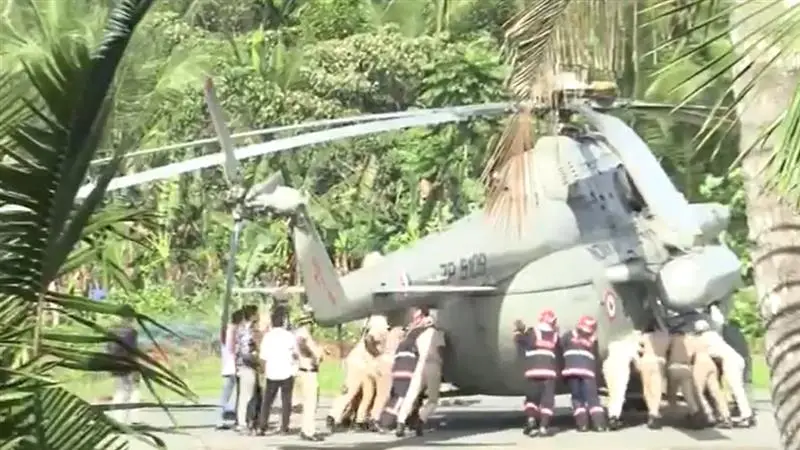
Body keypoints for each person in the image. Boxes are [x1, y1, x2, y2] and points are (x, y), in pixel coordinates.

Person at [327, 315, 387, 433]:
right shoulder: (379, 322)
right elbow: (368, 340)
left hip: (362, 362)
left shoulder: (374, 322)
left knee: (367, 392)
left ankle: (359, 419)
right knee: (351, 391)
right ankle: (333, 416)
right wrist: (377, 354)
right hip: (359, 362)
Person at [378, 307, 432, 434]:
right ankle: (385, 422)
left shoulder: (408, 335)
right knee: (400, 398)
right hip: (406, 370)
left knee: (401, 397)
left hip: (401, 368)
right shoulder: (416, 334)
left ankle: (406, 421)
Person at [394, 312, 446, 437]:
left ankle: (400, 422)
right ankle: (421, 420)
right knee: (433, 399)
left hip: (420, 365)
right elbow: (441, 350)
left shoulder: (420, 336)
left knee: (411, 394)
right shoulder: (438, 334)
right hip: (433, 365)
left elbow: (416, 351)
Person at [513, 310, 560, 437]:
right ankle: (544, 426)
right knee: (547, 401)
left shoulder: (532, 332)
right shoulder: (555, 336)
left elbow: (519, 340)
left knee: (531, 399)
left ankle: (531, 420)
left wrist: (519, 330)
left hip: (533, 372)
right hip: (549, 373)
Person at [697, 328, 755, 427]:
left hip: (730, 361)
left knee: (736, 388)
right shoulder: (715, 336)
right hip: (736, 359)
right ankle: (746, 414)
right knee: (737, 389)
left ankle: (746, 416)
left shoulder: (704, 339)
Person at [257, 307, 299, 435]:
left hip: (272, 372)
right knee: (286, 401)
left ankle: (262, 426)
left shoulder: (268, 337)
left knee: (267, 401)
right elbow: (295, 354)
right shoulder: (289, 336)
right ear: (284, 322)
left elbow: (263, 357)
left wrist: (263, 372)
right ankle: (284, 427)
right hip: (286, 371)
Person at [562, 315, 607, 432]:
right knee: (593, 399)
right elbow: (596, 358)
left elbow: (560, 349)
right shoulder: (593, 340)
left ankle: (582, 424)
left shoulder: (567, 336)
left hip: (572, 372)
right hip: (588, 373)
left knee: (577, 398)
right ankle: (599, 424)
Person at [690, 332, 733, 428]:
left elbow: (689, 354)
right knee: (716, 391)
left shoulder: (694, 340)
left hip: (700, 363)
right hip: (711, 363)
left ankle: (708, 413)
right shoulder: (707, 339)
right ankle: (726, 416)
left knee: (697, 391)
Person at [667, 332, 708, 429]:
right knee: (689, 395)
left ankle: (672, 412)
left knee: (671, 392)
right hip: (686, 368)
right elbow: (690, 355)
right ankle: (696, 417)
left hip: (673, 366)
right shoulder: (691, 341)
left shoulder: (673, 338)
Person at [107, 304, 140, 424]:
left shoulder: (111, 329)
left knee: (120, 389)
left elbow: (108, 347)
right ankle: (128, 418)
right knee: (129, 389)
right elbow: (133, 350)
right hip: (127, 363)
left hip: (113, 361)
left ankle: (118, 417)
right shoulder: (131, 332)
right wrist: (136, 366)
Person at [370, 322, 406, 432]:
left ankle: (374, 417)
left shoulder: (391, 331)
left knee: (382, 393)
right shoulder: (400, 332)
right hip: (389, 362)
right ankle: (375, 419)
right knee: (385, 394)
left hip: (383, 361)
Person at [602, 330, 641, 430]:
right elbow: (638, 366)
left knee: (612, 393)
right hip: (621, 368)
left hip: (608, 366)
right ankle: (614, 418)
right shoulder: (633, 347)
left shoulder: (614, 344)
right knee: (619, 394)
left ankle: (611, 414)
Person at [295, 311, 325, 441]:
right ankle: (309, 431)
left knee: (308, 403)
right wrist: (313, 356)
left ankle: (305, 428)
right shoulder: (303, 334)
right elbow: (302, 344)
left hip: (304, 370)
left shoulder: (299, 333)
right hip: (308, 371)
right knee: (311, 403)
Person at [234, 305, 260, 433]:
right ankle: (243, 422)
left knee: (246, 395)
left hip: (242, 365)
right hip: (247, 366)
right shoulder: (247, 331)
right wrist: (256, 360)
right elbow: (246, 352)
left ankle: (244, 421)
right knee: (246, 396)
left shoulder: (242, 329)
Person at [638, 328, 670, 429]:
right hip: (659, 360)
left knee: (647, 389)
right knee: (657, 389)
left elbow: (638, 347)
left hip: (646, 360)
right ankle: (654, 412)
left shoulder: (645, 336)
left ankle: (652, 412)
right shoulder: (666, 336)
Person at [217, 308, 243, 430]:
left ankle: (225, 416)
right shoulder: (232, 330)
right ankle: (222, 418)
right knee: (228, 393)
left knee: (227, 392)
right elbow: (232, 348)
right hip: (231, 365)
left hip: (228, 365)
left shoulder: (228, 329)